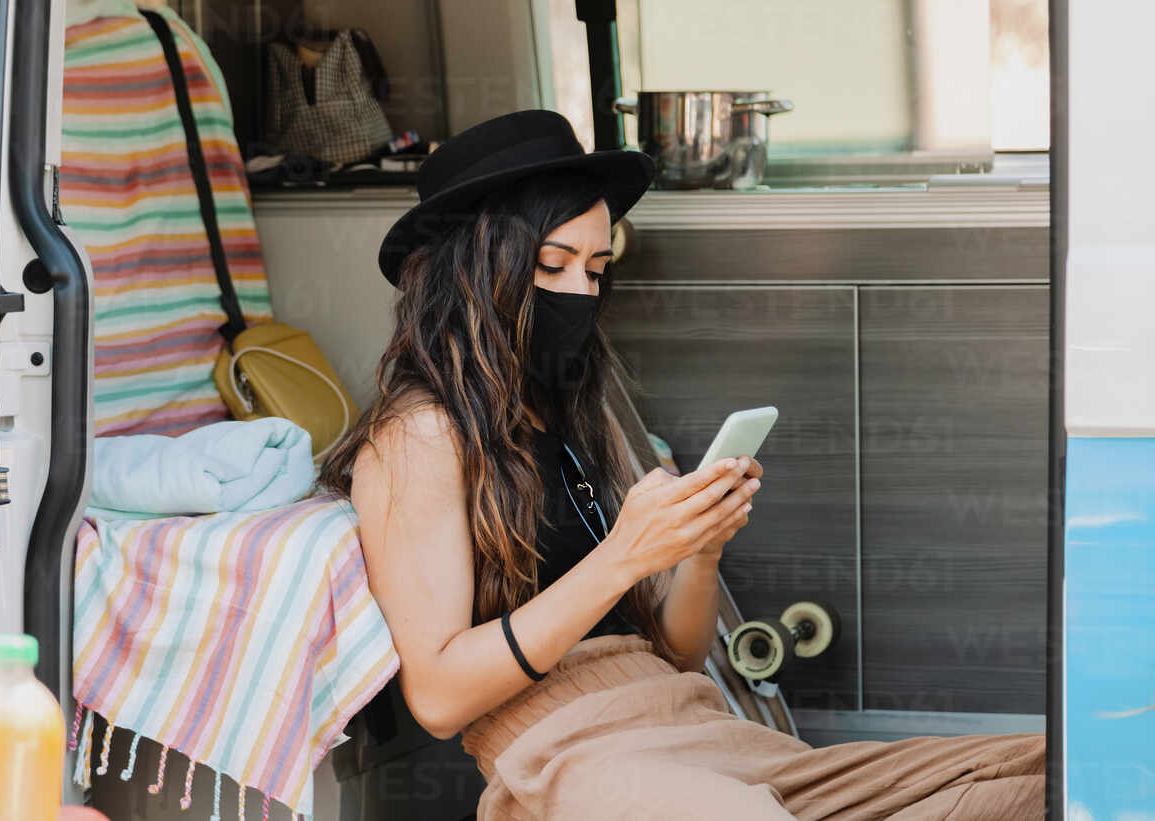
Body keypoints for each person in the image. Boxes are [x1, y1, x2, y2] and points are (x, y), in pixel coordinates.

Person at [318, 109, 1045, 820]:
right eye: (553, 264)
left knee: (1043, 772)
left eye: (597, 269)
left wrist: (699, 553)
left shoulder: (575, 410)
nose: (581, 293)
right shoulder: (419, 438)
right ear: (477, 267)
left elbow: (680, 656)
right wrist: (622, 558)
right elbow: (439, 699)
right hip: (577, 759)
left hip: (707, 734)